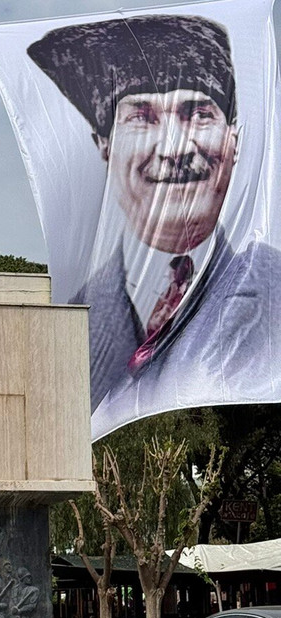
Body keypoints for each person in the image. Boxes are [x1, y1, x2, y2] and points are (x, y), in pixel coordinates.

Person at [28, 16, 281, 432]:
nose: (173, 149)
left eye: (197, 114)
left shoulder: (274, 291)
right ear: (104, 145)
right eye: (142, 118)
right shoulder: (70, 325)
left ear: (233, 140)